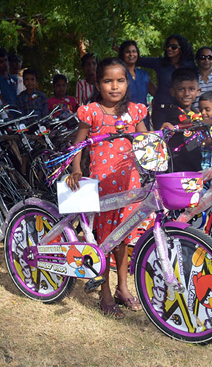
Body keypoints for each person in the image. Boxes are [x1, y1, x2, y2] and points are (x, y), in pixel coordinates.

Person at [67, 57, 148, 319]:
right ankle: (105, 294)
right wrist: (76, 169)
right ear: (97, 83)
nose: (115, 86)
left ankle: (123, 288)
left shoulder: (135, 111)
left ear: (127, 82)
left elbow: (146, 141)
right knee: (104, 240)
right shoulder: (91, 111)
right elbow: (78, 145)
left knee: (122, 237)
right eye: (108, 81)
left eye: (120, 80)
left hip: (129, 184)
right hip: (102, 186)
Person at [161, 69, 212, 172]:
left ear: (198, 91)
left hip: (196, 164)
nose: (187, 93)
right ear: (172, 91)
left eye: (191, 89)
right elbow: (191, 124)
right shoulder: (174, 111)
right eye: (181, 89)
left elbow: (203, 137)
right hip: (179, 166)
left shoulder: (197, 112)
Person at [136, 34, 197, 129]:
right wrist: (121, 50)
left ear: (181, 49)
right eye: (167, 46)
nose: (169, 49)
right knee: (161, 139)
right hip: (161, 110)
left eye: (173, 47)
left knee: (182, 139)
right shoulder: (160, 63)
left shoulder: (189, 65)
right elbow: (138, 60)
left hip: (181, 111)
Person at [118, 40, 156, 108]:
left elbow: (156, 93)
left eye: (134, 51)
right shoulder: (118, 74)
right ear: (122, 54)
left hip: (143, 116)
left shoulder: (144, 75)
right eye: (127, 52)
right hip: (124, 115)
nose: (131, 54)